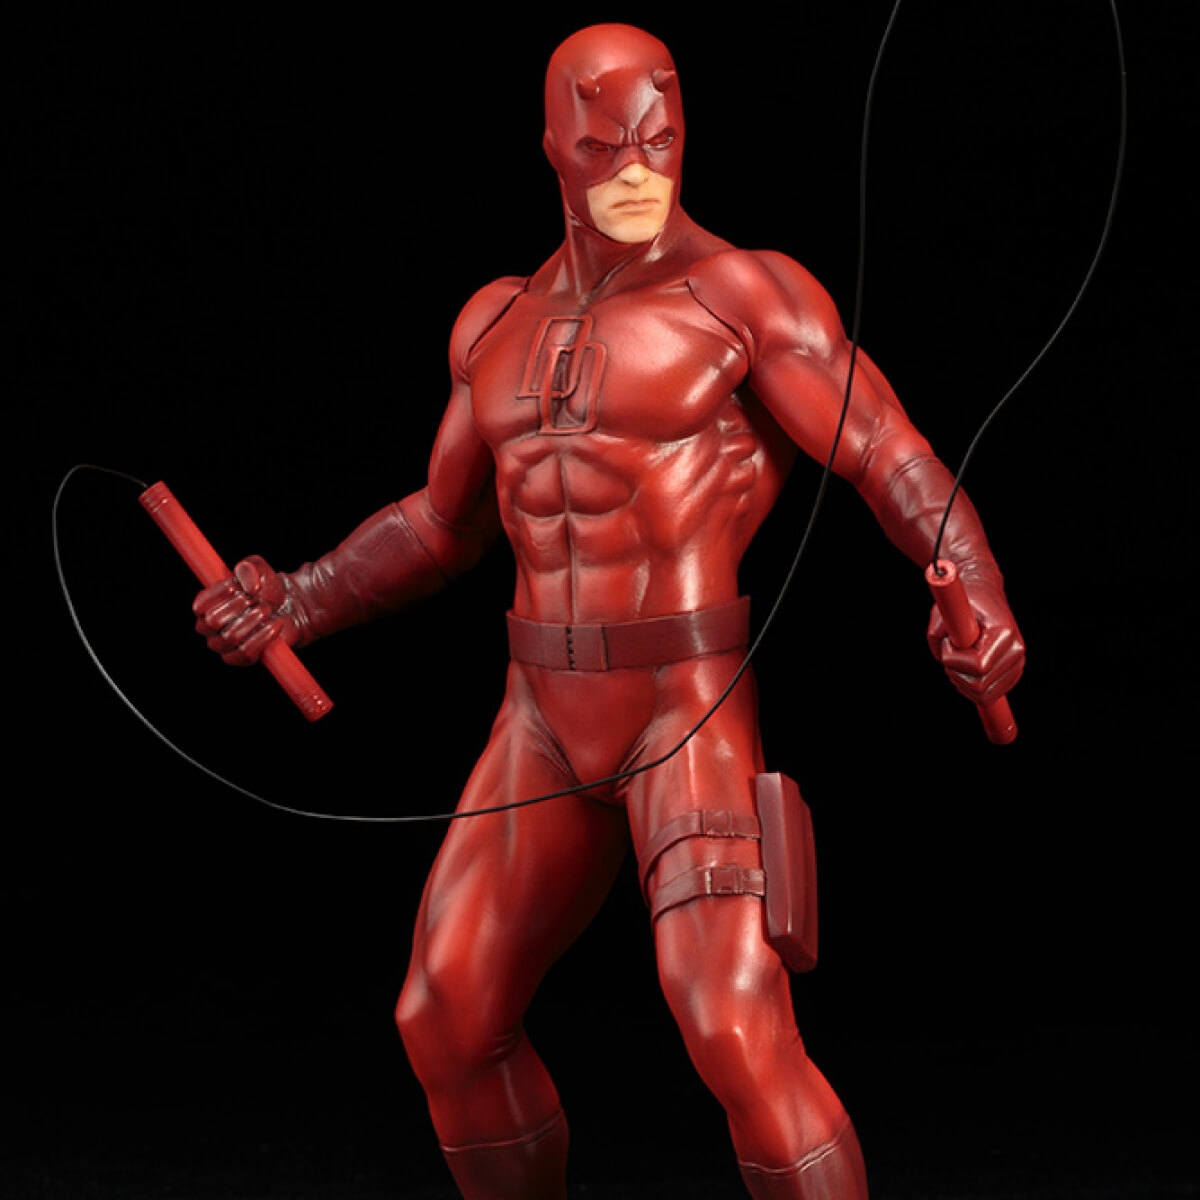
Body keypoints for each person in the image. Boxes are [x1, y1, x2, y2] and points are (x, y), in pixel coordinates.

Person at [193, 23, 1024, 1200]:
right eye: (601, 148)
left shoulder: (744, 295)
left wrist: (975, 591)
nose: (636, 169)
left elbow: (890, 455)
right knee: (443, 1017)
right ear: (551, 147)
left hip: (682, 713)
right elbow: (441, 524)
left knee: (733, 1029)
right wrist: (301, 598)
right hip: (538, 715)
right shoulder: (495, 321)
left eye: (659, 141)